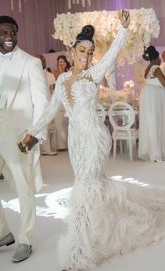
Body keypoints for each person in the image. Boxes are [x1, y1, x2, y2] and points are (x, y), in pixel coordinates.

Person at [21, 11, 165, 271]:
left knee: (84, 189)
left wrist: (123, 30)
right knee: (91, 187)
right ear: (72, 49)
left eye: (90, 52)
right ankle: (107, 229)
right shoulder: (63, 80)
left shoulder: (94, 75)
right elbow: (51, 110)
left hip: (95, 138)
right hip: (77, 140)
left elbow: (111, 55)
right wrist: (32, 133)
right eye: (82, 50)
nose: (86, 56)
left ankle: (77, 256)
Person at [0, 15, 49, 262]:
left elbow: (42, 102)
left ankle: (25, 240)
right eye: (3, 33)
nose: (9, 37)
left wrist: (36, 133)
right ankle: (1, 233)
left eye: (13, 32)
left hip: (16, 132)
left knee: (23, 187)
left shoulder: (31, 63)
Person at [138, 46, 165, 162]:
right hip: (154, 97)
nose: (160, 60)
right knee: (156, 121)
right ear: (156, 58)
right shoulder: (156, 68)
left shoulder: (148, 67)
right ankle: (156, 153)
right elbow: (164, 82)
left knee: (151, 122)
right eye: (159, 57)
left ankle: (152, 151)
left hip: (148, 95)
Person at [36, 54, 57, 155]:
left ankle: (46, 148)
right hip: (34, 103)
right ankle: (36, 149)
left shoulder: (50, 76)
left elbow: (53, 91)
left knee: (45, 125)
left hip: (46, 103)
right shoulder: (30, 75)